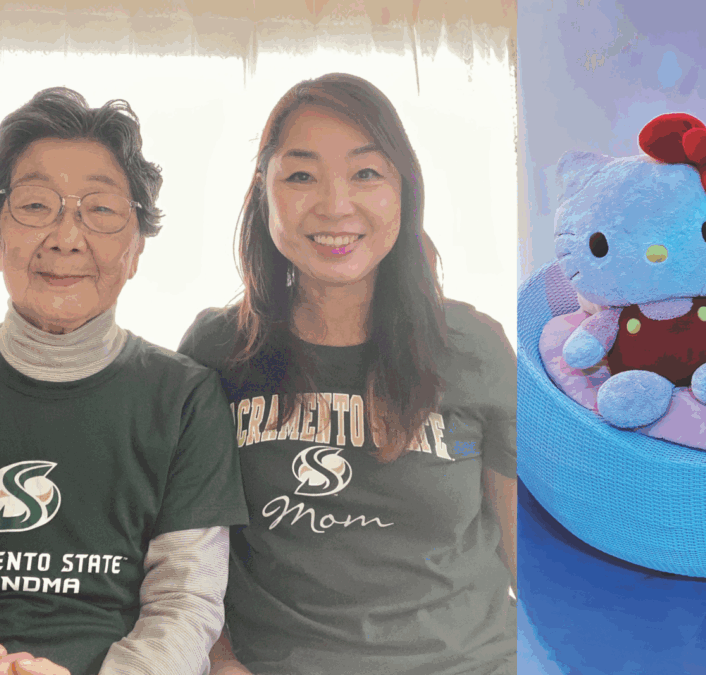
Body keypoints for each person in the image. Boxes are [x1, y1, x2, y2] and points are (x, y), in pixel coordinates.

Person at [177, 73, 518, 675]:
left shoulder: (473, 347)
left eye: (366, 173)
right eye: (301, 176)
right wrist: (223, 663)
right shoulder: (217, 350)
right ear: (263, 191)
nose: (335, 205)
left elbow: (526, 549)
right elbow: (187, 557)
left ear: (404, 190)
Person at [0, 87, 249, 675]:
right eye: (35, 205)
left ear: (136, 248)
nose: (66, 238)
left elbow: (185, 601)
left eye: (99, 210)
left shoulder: (185, 398)